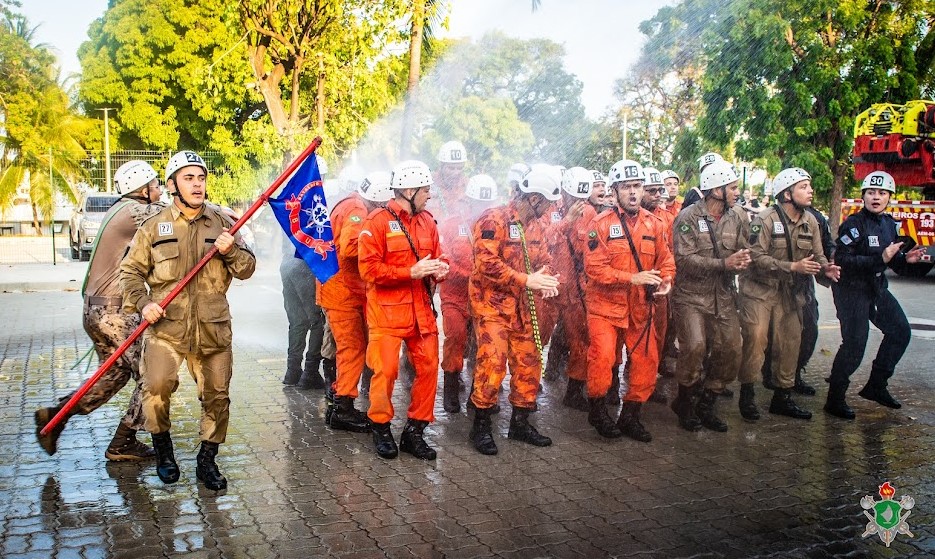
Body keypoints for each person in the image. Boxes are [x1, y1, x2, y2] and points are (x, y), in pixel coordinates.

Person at [120, 150, 256, 490]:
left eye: (201, 178)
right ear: (171, 185)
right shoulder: (153, 226)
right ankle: (164, 451)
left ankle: (206, 459)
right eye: (188, 178)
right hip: (166, 329)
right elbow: (130, 273)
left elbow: (247, 269)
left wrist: (232, 251)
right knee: (155, 388)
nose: (197, 185)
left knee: (217, 397)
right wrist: (144, 302)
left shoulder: (223, 222)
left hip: (213, 329)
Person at [34, 161, 165, 460]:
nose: (160, 190)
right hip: (114, 313)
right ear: (143, 190)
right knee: (154, 373)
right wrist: (220, 214)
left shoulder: (121, 210)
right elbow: (178, 216)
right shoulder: (134, 212)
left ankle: (55, 416)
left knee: (114, 376)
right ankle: (122, 442)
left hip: (97, 312)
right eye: (157, 185)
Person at [357, 160, 449, 460]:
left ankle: (415, 431)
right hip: (386, 314)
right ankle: (380, 427)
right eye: (425, 190)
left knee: (428, 369)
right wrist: (410, 272)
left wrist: (440, 268)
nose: (429, 195)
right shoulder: (377, 223)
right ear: (409, 190)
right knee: (385, 372)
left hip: (421, 312)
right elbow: (368, 269)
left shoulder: (427, 222)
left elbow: (437, 255)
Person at [468, 168, 561, 456]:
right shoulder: (493, 219)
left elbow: (544, 258)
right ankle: (480, 425)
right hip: (492, 307)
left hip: (522, 307)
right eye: (547, 203)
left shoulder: (535, 226)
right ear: (534, 198)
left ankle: (520, 423)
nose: (549, 209)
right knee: (492, 364)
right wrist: (525, 280)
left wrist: (547, 277)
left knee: (529, 363)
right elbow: (486, 263)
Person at [584, 160, 676, 442]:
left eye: (637, 186)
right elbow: (594, 268)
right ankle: (597, 410)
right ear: (615, 190)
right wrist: (632, 278)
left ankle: (631, 415)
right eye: (627, 187)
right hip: (605, 307)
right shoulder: (599, 224)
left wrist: (666, 281)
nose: (634, 192)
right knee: (602, 358)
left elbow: (666, 260)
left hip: (641, 307)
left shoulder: (655, 223)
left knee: (647, 361)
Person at [738, 168, 839, 422]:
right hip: (759, 290)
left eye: (810, 186)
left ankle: (782, 397)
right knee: (756, 340)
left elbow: (818, 255)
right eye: (804, 186)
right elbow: (755, 258)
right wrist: (792, 267)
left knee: (791, 342)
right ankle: (747, 394)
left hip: (790, 292)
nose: (811, 191)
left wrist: (826, 269)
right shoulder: (765, 220)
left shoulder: (811, 221)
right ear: (786, 193)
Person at [824, 171, 926, 419]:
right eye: (871, 192)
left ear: (890, 197)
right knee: (855, 345)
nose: (876, 197)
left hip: (876, 287)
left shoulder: (890, 225)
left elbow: (894, 264)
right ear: (864, 196)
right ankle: (834, 399)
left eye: (881, 193)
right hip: (852, 291)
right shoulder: (853, 225)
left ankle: (876, 385)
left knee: (900, 331)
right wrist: (880, 258)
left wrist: (906, 260)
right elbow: (843, 260)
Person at [669, 160, 751, 432]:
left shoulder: (738, 216)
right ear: (716, 189)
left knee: (732, 349)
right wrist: (724, 264)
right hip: (691, 296)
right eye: (732, 187)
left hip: (724, 296)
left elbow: (745, 248)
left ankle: (708, 402)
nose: (737, 192)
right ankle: (685, 401)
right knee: (694, 347)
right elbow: (684, 259)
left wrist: (745, 260)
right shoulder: (688, 218)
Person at [320, 171, 393, 431]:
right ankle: (342, 409)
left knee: (352, 347)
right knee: (352, 348)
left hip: (342, 289)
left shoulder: (351, 202)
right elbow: (351, 247)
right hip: (342, 291)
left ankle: (340, 405)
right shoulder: (358, 209)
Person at [438, 174, 501, 413]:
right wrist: (470, 275)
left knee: (484, 345)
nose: (483, 210)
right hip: (455, 296)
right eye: (478, 205)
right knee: (455, 337)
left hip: (485, 298)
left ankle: (479, 392)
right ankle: (451, 389)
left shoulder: (497, 227)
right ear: (468, 202)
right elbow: (444, 259)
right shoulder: (452, 225)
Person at [544, 166, 599, 411]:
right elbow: (544, 238)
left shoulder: (590, 212)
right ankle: (526, 384)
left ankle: (574, 390)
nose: (578, 202)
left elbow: (591, 249)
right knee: (538, 336)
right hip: (548, 285)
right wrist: (567, 221)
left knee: (581, 339)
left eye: (582, 198)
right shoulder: (550, 209)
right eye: (573, 197)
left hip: (576, 289)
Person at [279, 233, 326, 390]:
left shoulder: (292, 210)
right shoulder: (311, 210)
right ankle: (310, 372)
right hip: (304, 264)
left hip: (287, 264)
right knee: (318, 320)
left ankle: (292, 372)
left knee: (297, 321)